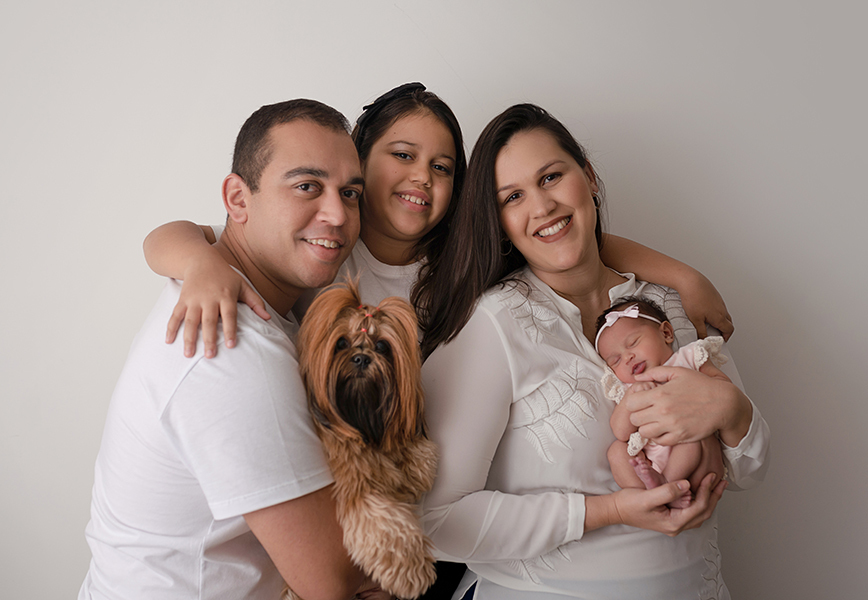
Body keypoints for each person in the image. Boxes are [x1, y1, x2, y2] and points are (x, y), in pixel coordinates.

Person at [416, 104, 770, 599]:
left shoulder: (672, 305)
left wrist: (732, 410)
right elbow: (431, 520)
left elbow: (750, 470)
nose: (541, 206)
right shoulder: (490, 326)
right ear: (498, 222)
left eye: (552, 177)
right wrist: (608, 511)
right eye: (513, 196)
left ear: (589, 177)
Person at [142, 84, 735, 362]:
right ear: (357, 158)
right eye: (402, 156)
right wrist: (199, 265)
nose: (422, 178)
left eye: (443, 167)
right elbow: (175, 236)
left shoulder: (465, 258)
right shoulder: (319, 248)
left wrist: (682, 276)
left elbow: (578, 240)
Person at [79, 99, 380, 600]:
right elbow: (331, 584)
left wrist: (197, 258)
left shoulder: (224, 268)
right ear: (238, 199)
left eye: (350, 193)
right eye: (307, 186)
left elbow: (180, 235)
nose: (338, 214)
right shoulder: (230, 350)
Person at [595, 296, 729, 509]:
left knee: (692, 434)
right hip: (651, 465)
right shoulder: (629, 389)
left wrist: (693, 387)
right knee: (616, 451)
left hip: (698, 460)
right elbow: (621, 432)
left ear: (666, 333)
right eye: (616, 360)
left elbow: (724, 390)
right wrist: (630, 399)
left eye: (633, 343)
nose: (628, 357)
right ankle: (649, 500)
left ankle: (667, 485)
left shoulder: (688, 359)